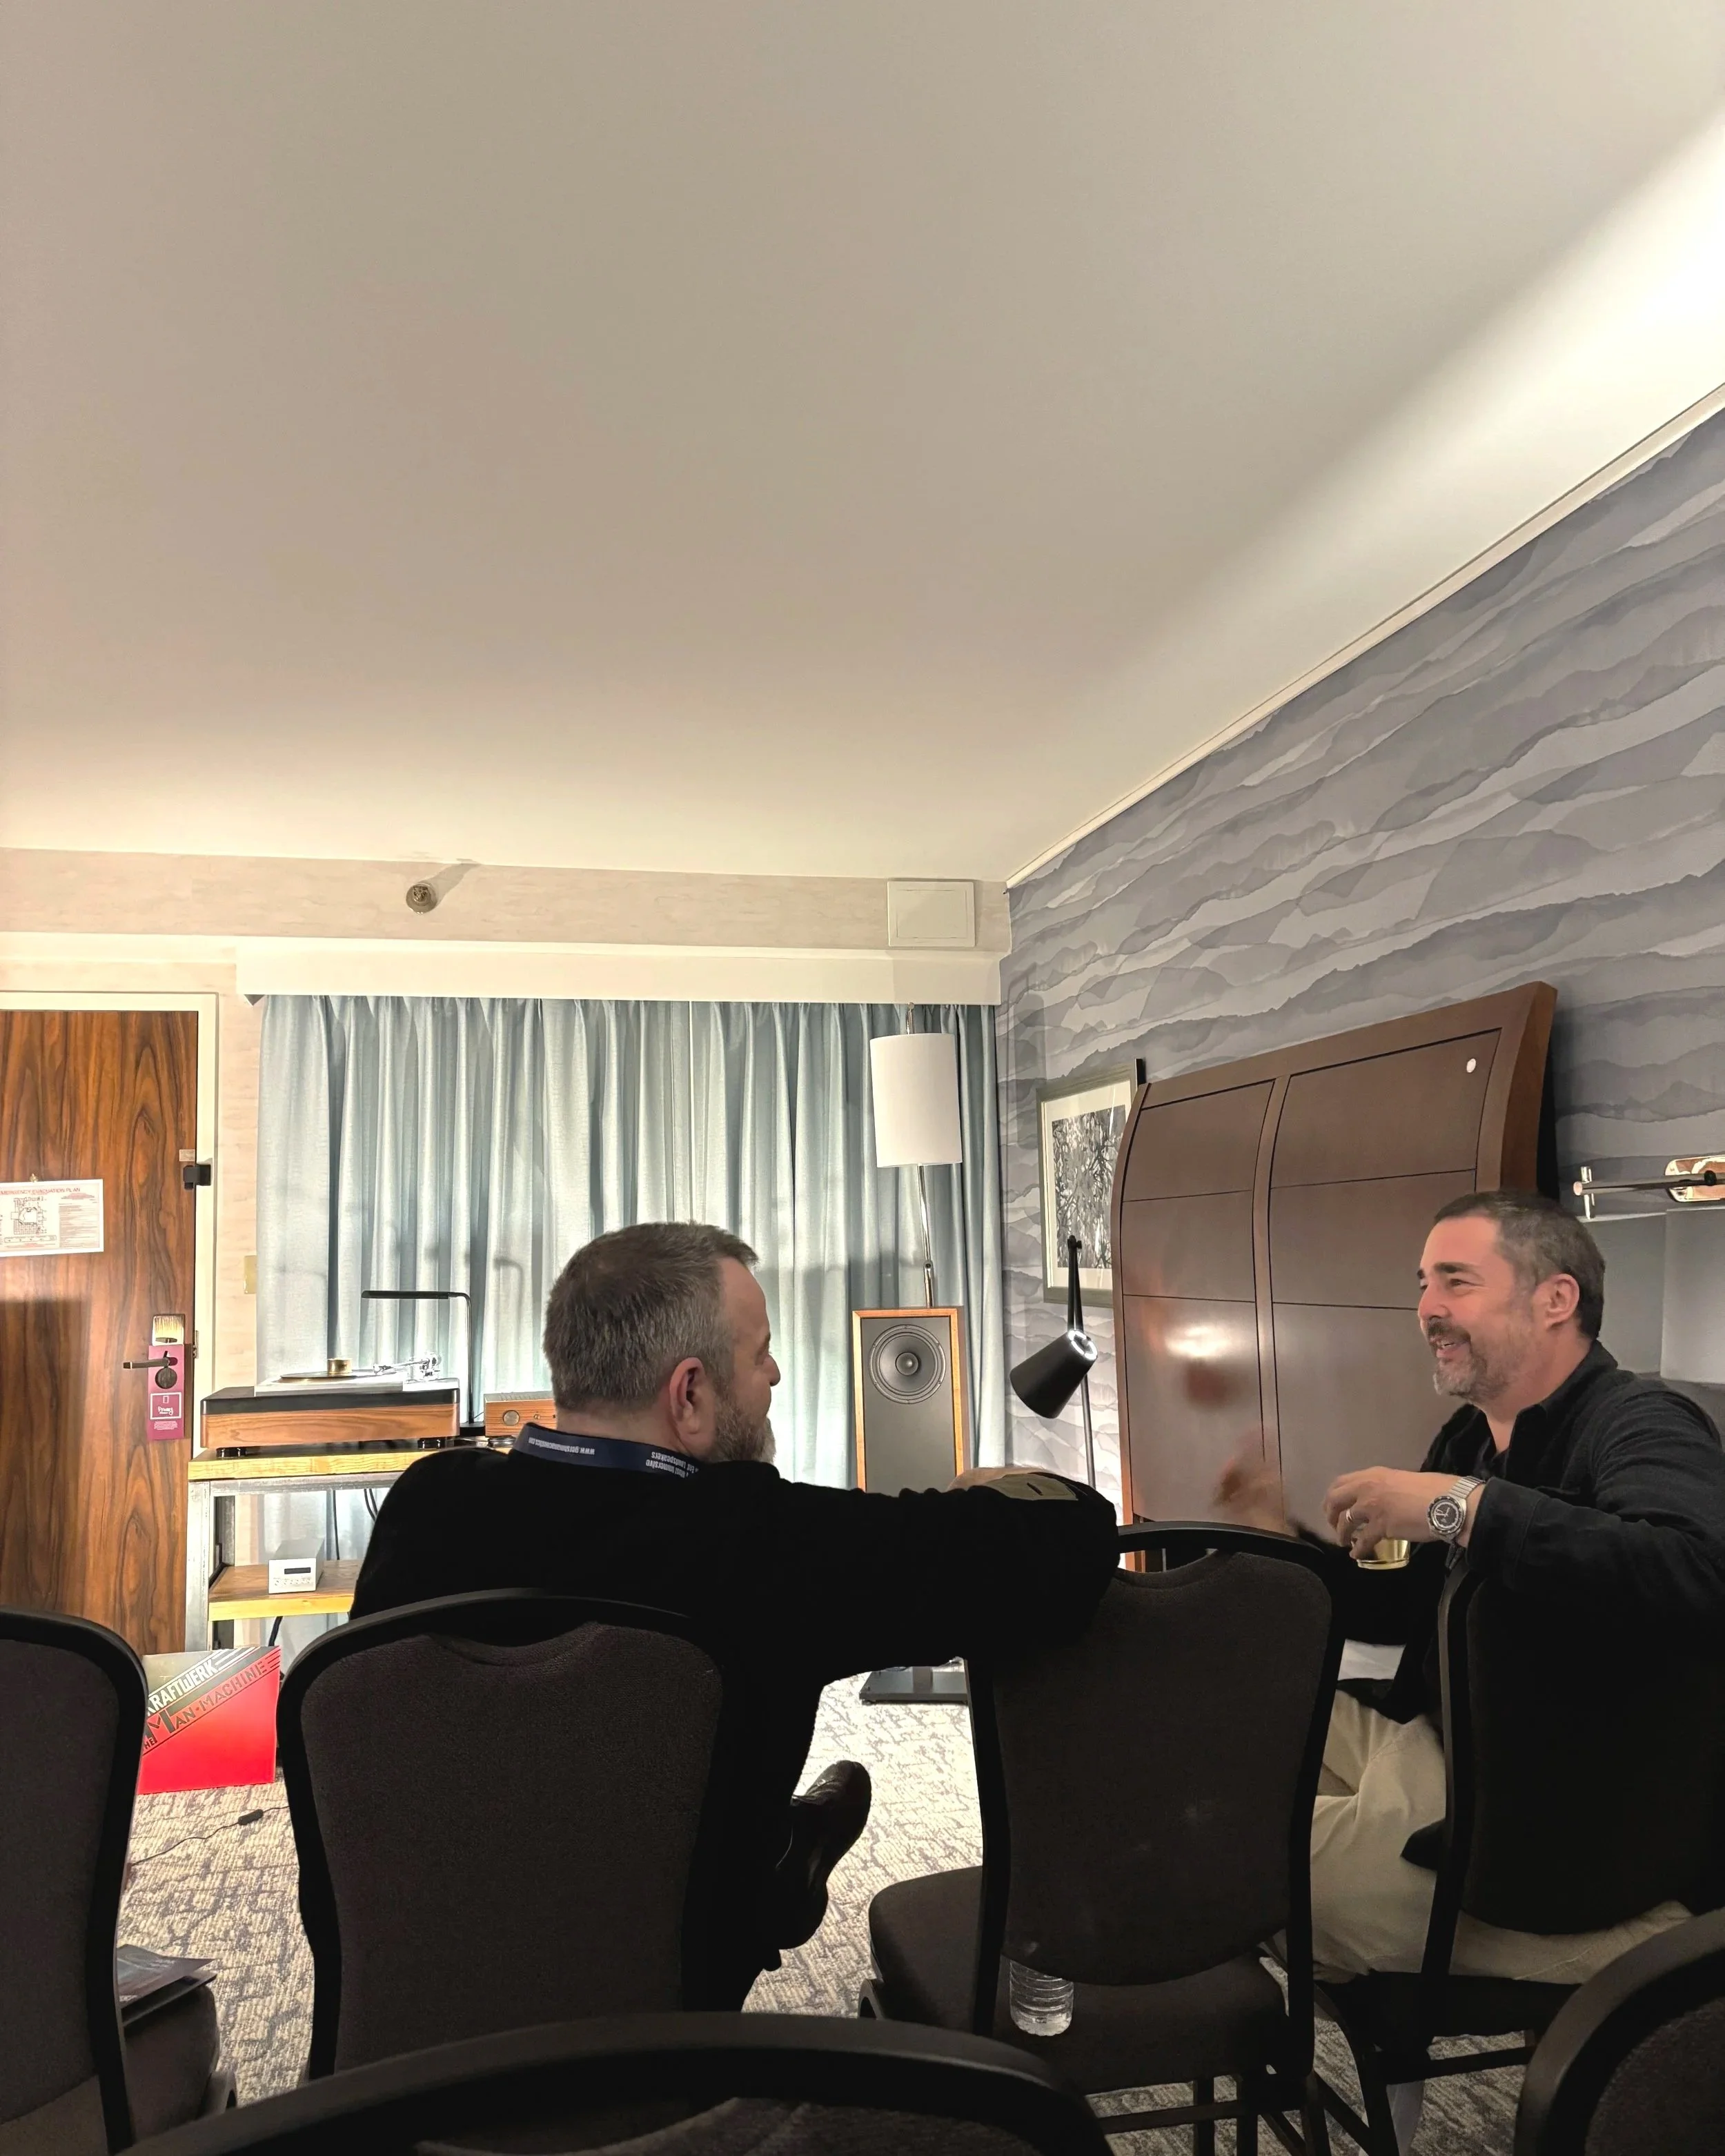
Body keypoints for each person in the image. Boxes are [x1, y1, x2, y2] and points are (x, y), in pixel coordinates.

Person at [352, 1220, 1119, 2004]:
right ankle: (780, 1855)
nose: (776, 1372)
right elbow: (1074, 1541)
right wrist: (985, 1491)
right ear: (689, 1394)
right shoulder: (766, 1544)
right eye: (760, 1354)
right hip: (669, 2029)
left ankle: (783, 1844)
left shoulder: (425, 1502)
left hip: (409, 2030)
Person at [1217, 1188, 1725, 1988]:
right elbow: (1399, 1610)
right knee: (1226, 1735)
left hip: (1563, 1815)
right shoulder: (1469, 1438)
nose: (1428, 1307)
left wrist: (1458, 1506)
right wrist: (1280, 1537)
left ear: (1555, 1298)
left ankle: (1653, 1946)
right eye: (1423, 1283)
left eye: (1456, 1280)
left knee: (1229, 1868)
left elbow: (1693, 1570)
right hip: (1444, 1740)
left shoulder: (1641, 1420)